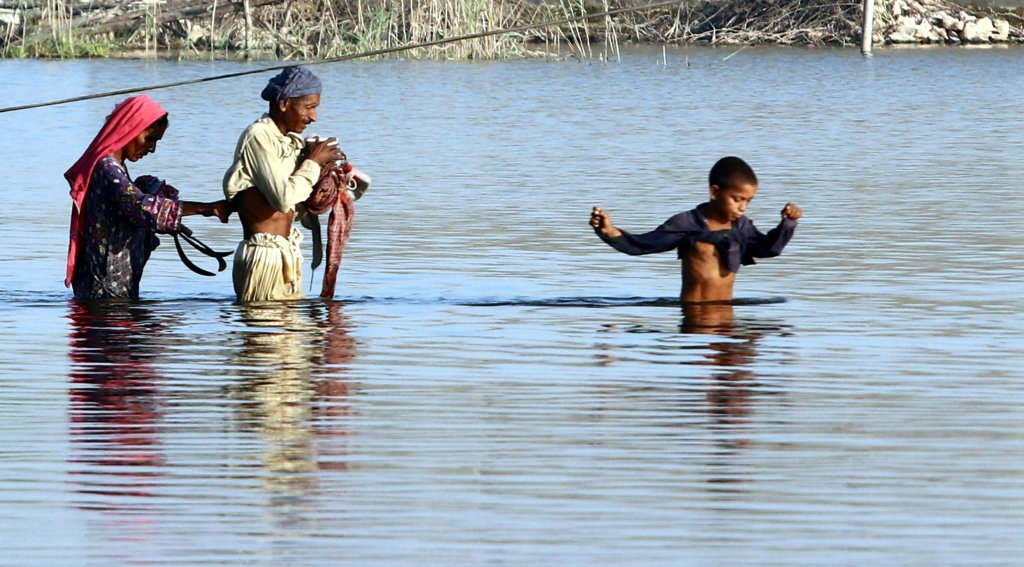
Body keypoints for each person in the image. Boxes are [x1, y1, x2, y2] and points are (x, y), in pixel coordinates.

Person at [65, 94, 231, 300]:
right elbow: (140, 207)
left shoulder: (115, 168)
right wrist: (205, 208)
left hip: (113, 290)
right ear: (130, 130)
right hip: (105, 293)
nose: (152, 148)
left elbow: (131, 208)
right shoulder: (106, 169)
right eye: (150, 138)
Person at [589, 156, 802, 303]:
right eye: (737, 199)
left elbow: (768, 249)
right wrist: (608, 230)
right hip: (695, 320)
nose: (743, 207)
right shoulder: (687, 224)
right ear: (715, 192)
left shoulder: (742, 226)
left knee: (741, 366)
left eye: (748, 201)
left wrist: (787, 224)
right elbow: (641, 245)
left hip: (727, 319)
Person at [222, 66, 347, 303]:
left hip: (287, 252)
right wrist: (312, 163)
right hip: (263, 257)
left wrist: (326, 181)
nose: (314, 117)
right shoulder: (258, 137)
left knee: (290, 338)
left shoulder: (290, 143)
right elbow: (282, 198)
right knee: (266, 336)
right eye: (309, 108)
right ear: (284, 104)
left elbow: (290, 209)